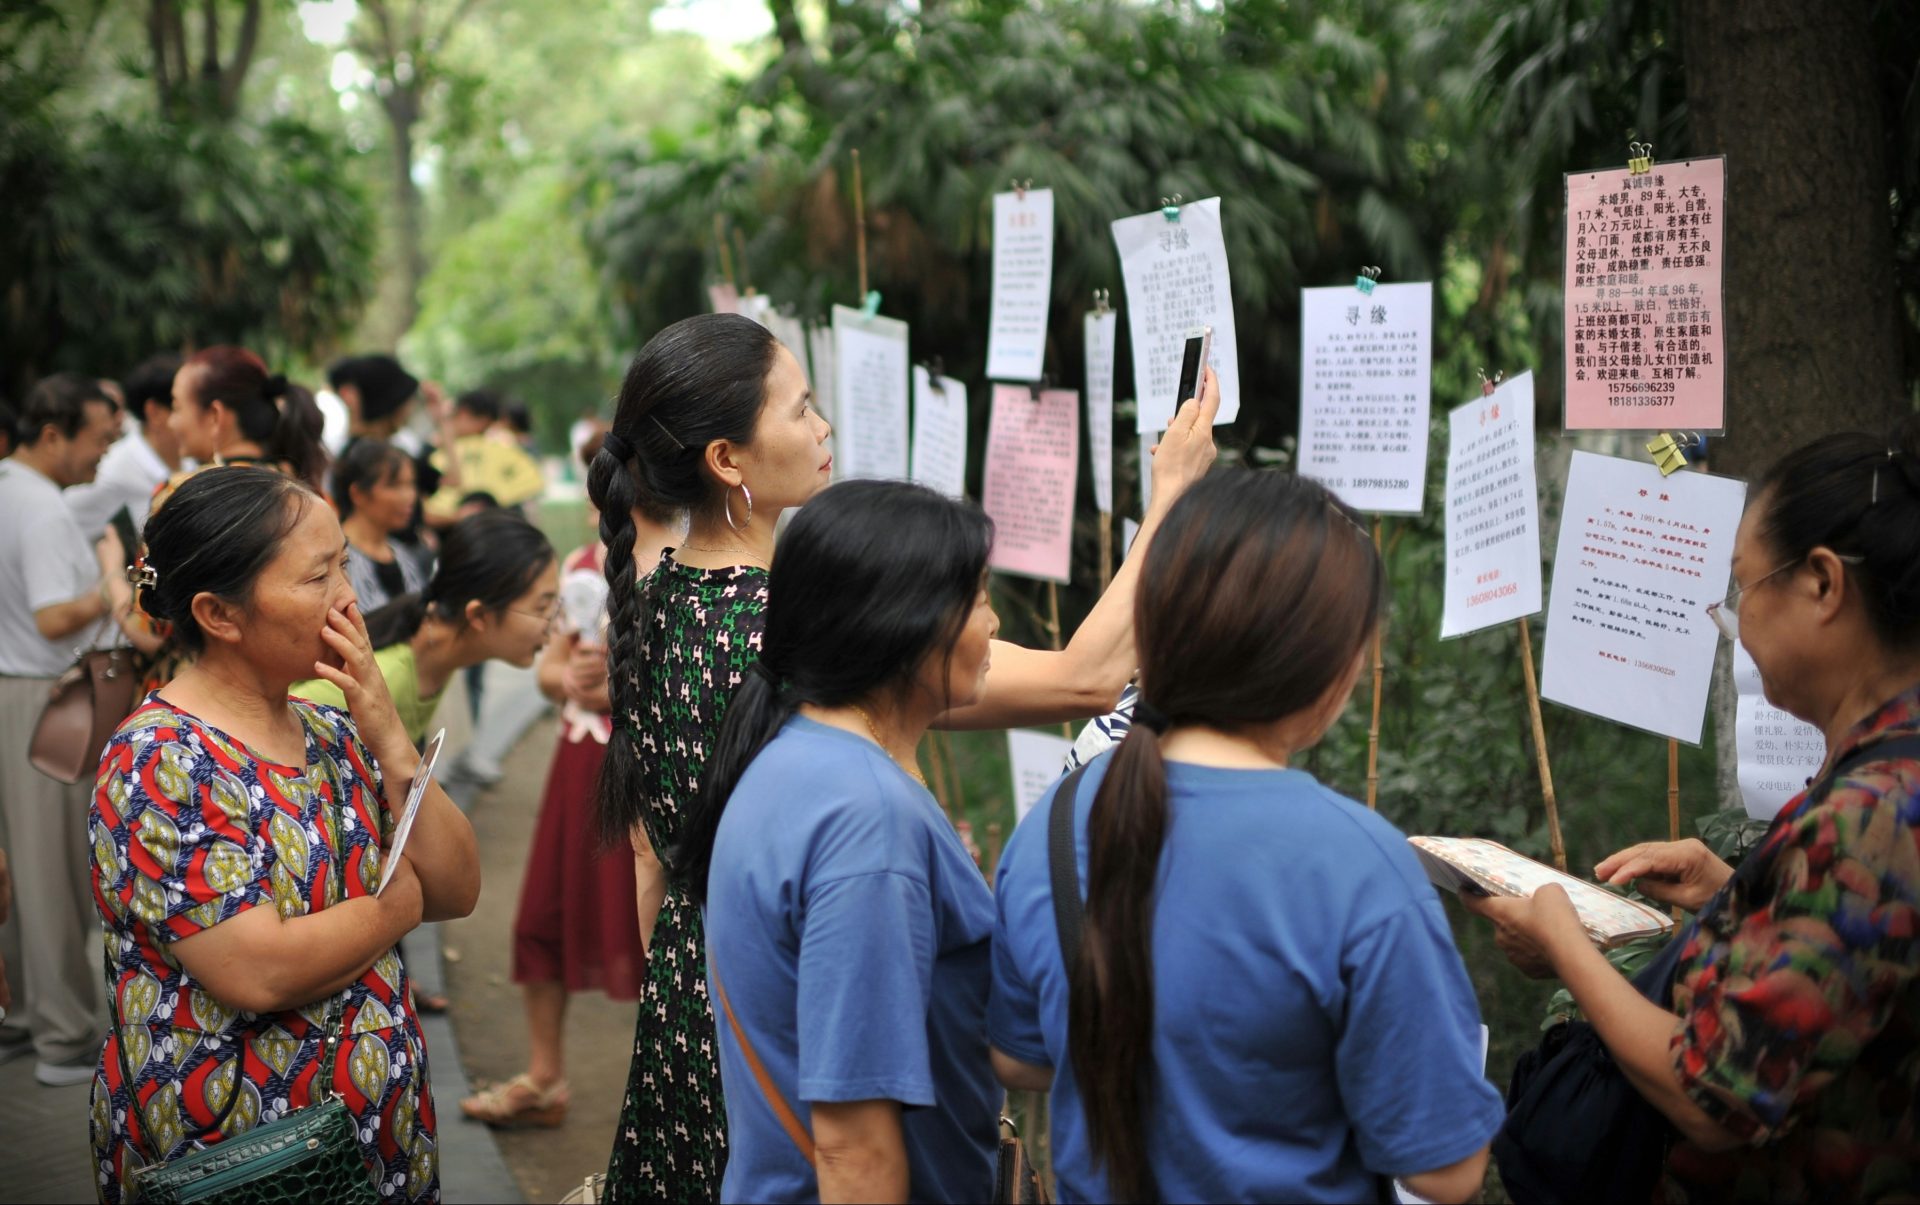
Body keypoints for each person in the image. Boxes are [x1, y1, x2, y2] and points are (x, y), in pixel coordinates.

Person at [589, 312, 1218, 1201]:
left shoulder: (653, 603)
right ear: (727, 460)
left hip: (703, 1021)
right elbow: (1087, 678)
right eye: (800, 408)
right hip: (819, 1032)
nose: (824, 427)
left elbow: (653, 856)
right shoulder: (802, 632)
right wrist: (1172, 497)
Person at [989, 470, 1501, 1204]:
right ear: (1326, 666)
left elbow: (1018, 1057)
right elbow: (1445, 1169)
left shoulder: (1056, 820)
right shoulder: (1361, 865)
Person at [1467, 417, 1920, 1203]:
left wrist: (1566, 940)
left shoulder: (1868, 818)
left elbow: (1713, 1092)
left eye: (1744, 587)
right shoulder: (1885, 767)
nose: (1734, 619)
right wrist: (1734, 891)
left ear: (1821, 583)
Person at [88, 465, 480, 1203]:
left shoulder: (332, 727)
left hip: (373, 1144)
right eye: (317, 577)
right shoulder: (162, 760)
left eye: (345, 566)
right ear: (220, 613)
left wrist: (391, 736)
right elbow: (258, 970)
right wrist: (398, 906)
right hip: (244, 1162)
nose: (349, 599)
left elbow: (457, 888)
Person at [677, 480, 1000, 1201]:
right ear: (906, 622)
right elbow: (856, 1146)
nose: (994, 620)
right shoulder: (867, 821)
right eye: (978, 597)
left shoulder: (791, 756)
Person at [460, 431, 680, 1129]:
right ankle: (545, 1074)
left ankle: (673, 1096)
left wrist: (619, 690)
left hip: (649, 767)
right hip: (581, 763)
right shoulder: (586, 565)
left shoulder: (687, 569)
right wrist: (575, 682)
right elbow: (550, 671)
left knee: (659, 930)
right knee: (547, 917)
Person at [0, 373, 126, 1087]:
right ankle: (65, 1035)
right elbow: (53, 617)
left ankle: (19, 1016)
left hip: (14, 692)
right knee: (50, 873)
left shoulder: (8, 488)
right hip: (45, 697)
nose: (102, 456)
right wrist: (113, 580)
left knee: (17, 866)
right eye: (98, 440)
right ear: (54, 433)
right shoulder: (44, 509)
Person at [291, 509, 558, 746]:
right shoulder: (383, 678)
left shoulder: (439, 656)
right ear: (478, 615)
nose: (553, 625)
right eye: (541, 608)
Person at [164, 346, 327, 490]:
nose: (171, 423)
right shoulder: (303, 491)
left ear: (215, 415)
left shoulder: (182, 497)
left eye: (176, 407)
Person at [64, 353, 185, 538]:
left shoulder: (192, 464)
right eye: (185, 407)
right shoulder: (109, 470)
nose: (213, 418)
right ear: (155, 412)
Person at [332, 438, 432, 612]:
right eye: (394, 486)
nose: (409, 496)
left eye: (411, 484)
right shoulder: (335, 557)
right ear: (358, 493)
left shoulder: (401, 554)